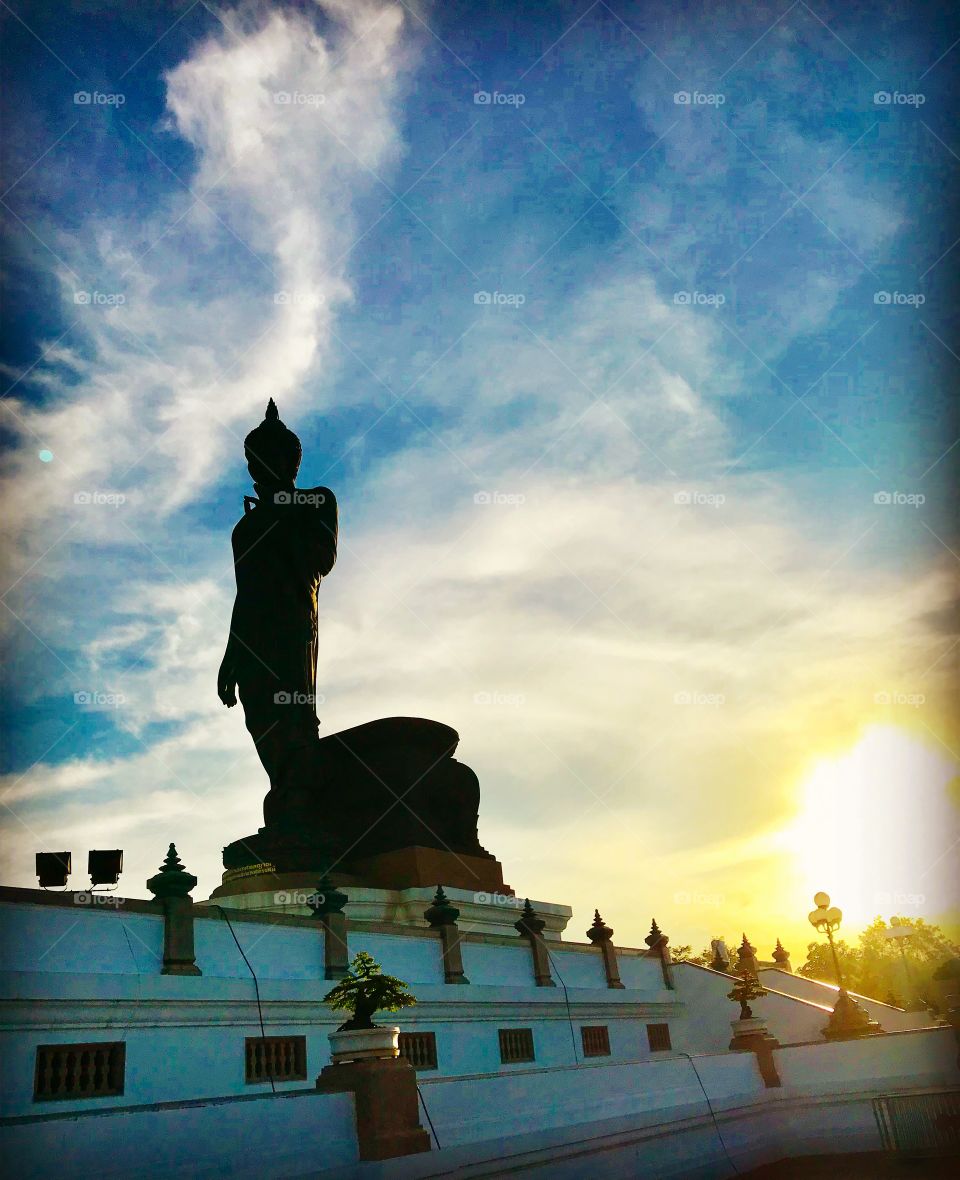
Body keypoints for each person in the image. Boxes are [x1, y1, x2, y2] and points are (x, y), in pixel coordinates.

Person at [217, 400, 337, 834]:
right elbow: (243, 593)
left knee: (295, 711)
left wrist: (283, 514)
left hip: (292, 626)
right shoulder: (244, 528)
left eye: (268, 458)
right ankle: (285, 796)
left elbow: (322, 560)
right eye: (253, 460)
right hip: (252, 637)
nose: (259, 468)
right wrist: (230, 656)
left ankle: (303, 801)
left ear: (291, 461)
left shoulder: (315, 502)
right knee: (260, 716)